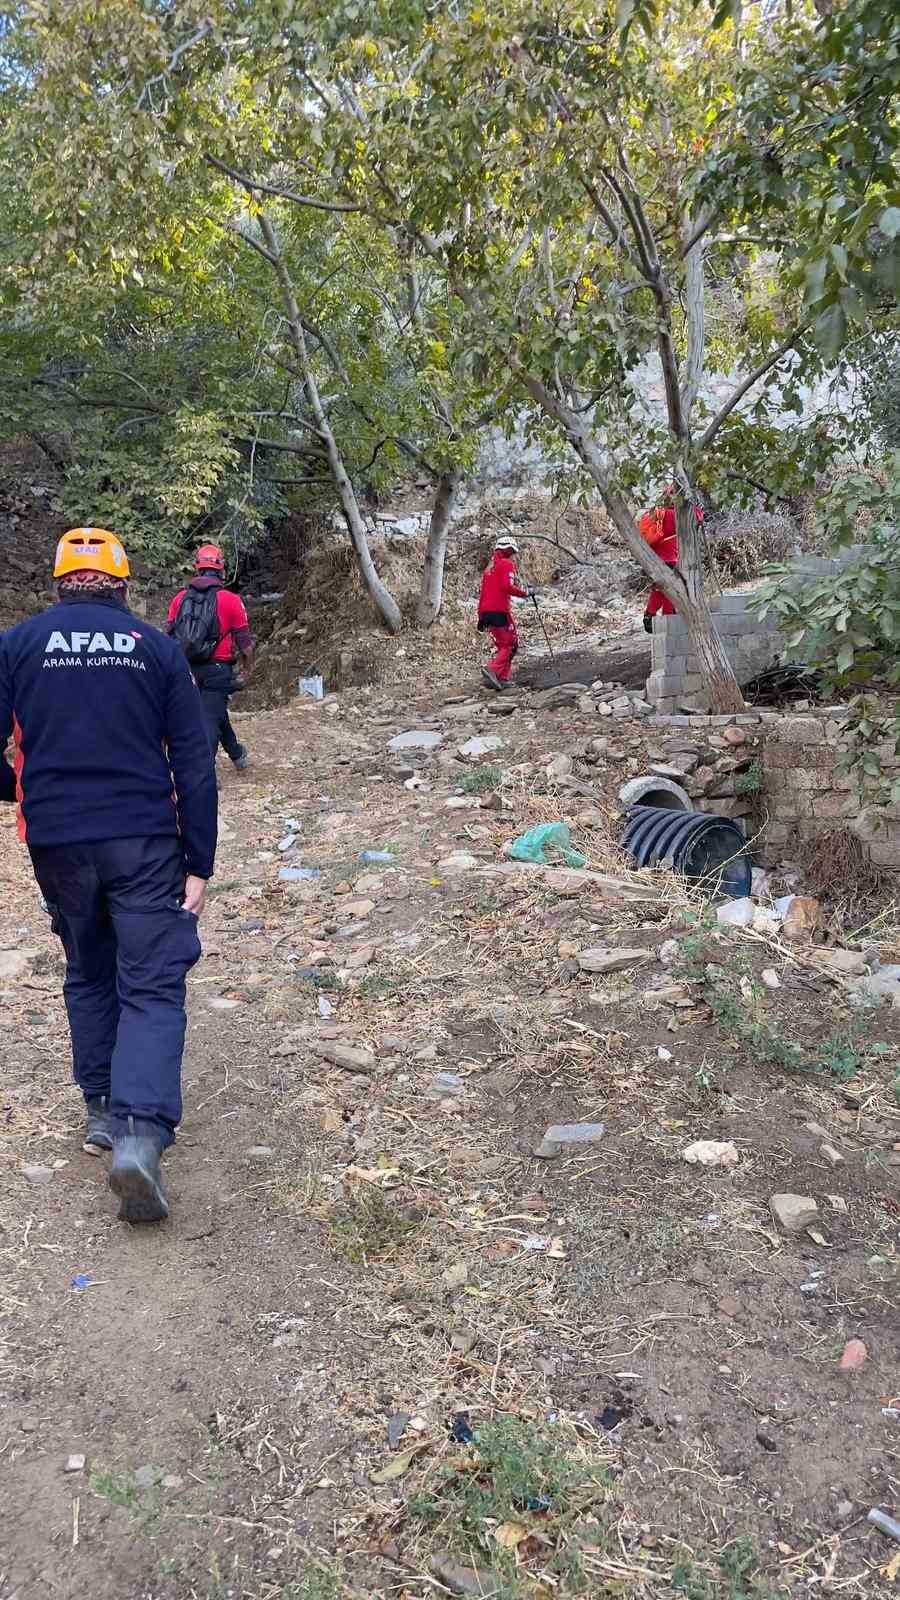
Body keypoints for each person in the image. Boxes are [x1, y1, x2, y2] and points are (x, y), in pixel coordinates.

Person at [0, 528, 217, 1224]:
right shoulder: (154, 648)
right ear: (123, 583)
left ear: (59, 580)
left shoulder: (19, 645)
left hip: (58, 841)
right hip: (143, 840)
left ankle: (100, 1110)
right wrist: (200, 861)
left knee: (88, 968)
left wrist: (23, 790)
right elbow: (193, 759)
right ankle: (140, 1132)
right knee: (151, 983)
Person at [168, 544, 254, 770]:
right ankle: (203, 772)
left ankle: (237, 754)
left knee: (213, 712)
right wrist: (246, 669)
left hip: (186, 668)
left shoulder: (179, 599)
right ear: (221, 569)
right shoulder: (231, 600)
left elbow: (169, 636)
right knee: (209, 718)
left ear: (197, 568)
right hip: (218, 669)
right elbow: (245, 644)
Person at [639, 484, 704, 632]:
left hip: (657, 558)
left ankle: (654, 616)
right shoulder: (673, 516)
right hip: (668, 558)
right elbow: (696, 517)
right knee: (669, 589)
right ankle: (657, 616)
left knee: (663, 589)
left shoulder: (661, 515)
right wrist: (699, 508)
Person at [477, 536, 530, 689]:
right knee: (510, 644)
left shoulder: (489, 568)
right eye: (513, 551)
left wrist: (480, 616)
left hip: (485, 612)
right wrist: (525, 593)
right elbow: (507, 586)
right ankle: (492, 670)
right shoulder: (507, 564)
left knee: (503, 645)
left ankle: (502, 679)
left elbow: (483, 593)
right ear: (508, 550)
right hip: (499, 611)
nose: (514, 555)